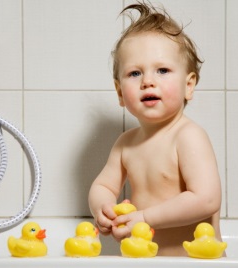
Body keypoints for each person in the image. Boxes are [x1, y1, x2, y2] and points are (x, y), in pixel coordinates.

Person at [88, 1, 223, 256]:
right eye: (135, 73)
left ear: (189, 85)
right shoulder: (126, 143)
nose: (148, 81)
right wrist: (102, 208)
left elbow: (206, 199)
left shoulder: (188, 137)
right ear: (119, 93)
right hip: (147, 259)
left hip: (195, 261)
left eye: (162, 70)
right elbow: (103, 186)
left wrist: (145, 217)